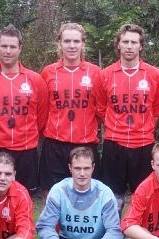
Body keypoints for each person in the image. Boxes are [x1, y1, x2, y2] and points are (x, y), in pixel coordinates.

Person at [34, 147, 126, 239]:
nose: (82, 173)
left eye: (86, 168)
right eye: (77, 168)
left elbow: (114, 230)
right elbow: (45, 226)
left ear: (93, 168)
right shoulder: (58, 190)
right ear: (70, 168)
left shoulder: (105, 193)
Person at [97, 23, 159, 214]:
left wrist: (142, 130)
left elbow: (158, 111)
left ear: (140, 46)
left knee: (142, 196)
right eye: (125, 41)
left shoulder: (154, 75)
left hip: (143, 145)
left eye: (133, 42)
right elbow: (101, 109)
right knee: (113, 198)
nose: (129, 46)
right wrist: (116, 128)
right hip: (114, 145)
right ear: (118, 44)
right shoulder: (104, 75)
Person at [0, 24, 48, 193]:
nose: (8, 51)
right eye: (4, 46)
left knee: (23, 197)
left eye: (12, 47)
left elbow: (42, 118)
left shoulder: (35, 80)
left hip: (26, 149)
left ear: (20, 48)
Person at [39, 23, 102, 195]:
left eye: (76, 41)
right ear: (59, 43)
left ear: (83, 43)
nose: (72, 45)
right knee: (52, 196)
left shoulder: (95, 72)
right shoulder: (48, 72)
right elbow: (42, 109)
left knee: (87, 196)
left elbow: (101, 110)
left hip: (86, 144)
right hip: (55, 144)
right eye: (67, 41)